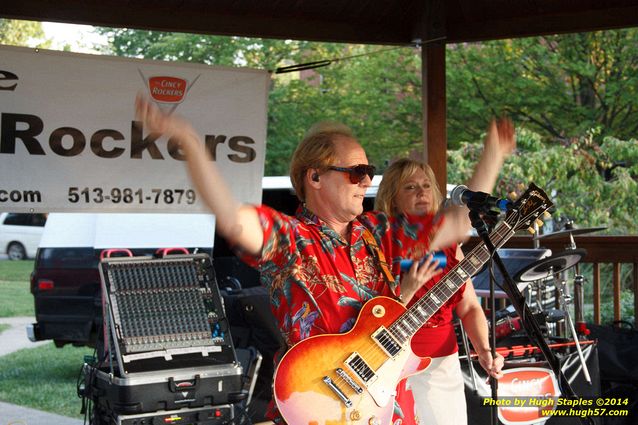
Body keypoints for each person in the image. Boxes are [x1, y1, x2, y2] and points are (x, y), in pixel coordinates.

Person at [135, 95, 514, 424]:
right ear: (314, 177)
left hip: (382, 403)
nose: (367, 181)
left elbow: (458, 224)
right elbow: (233, 218)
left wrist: (493, 155)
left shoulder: (379, 232)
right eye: (358, 172)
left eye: (369, 172)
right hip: (317, 403)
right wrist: (188, 141)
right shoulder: (290, 239)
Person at [375, 154, 510, 424]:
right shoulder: (379, 237)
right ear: (393, 196)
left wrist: (483, 349)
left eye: (426, 185)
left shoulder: (450, 244)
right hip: (389, 359)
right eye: (410, 187)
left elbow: (469, 306)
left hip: (442, 358)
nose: (422, 192)